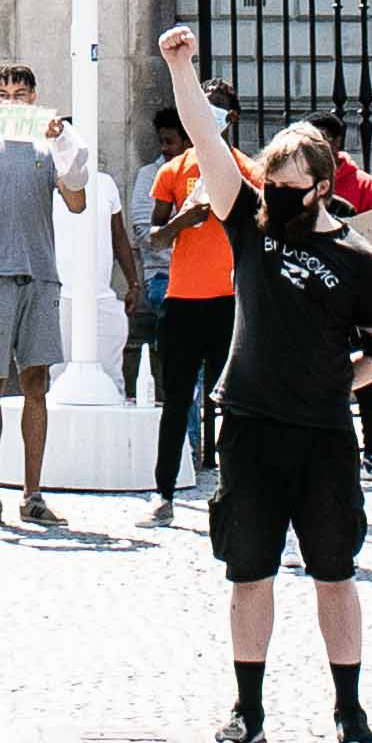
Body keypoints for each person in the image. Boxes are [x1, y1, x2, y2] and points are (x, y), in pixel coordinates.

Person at [159, 27, 372, 743]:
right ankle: (247, 707)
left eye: (292, 188)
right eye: (273, 184)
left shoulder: (360, 259)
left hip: (322, 434)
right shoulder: (250, 225)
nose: (279, 197)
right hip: (251, 427)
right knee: (247, 572)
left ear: (322, 187)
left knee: (334, 573)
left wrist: (335, 385)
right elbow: (204, 135)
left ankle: (349, 708)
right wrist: (181, 68)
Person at [0, 63, 92, 526]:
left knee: (36, 385)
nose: (12, 100)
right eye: (3, 93)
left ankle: (33, 492)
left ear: (34, 97)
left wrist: (63, 143)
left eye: (21, 93)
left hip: (38, 273)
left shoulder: (47, 147)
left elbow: (77, 199)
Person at [140, 109, 228, 521]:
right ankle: (164, 492)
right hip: (183, 299)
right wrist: (184, 220)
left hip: (230, 301)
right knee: (176, 401)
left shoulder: (244, 169)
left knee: (236, 402)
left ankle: (237, 490)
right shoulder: (173, 172)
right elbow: (153, 238)